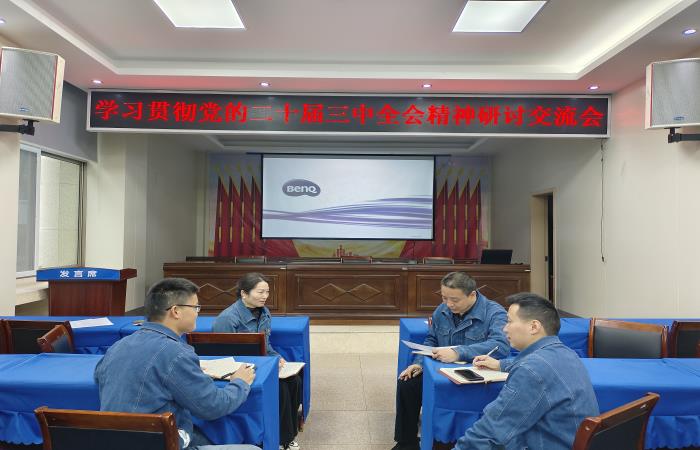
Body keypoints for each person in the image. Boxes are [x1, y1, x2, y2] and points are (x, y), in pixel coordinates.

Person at [94, 278, 260, 450]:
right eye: (195, 307)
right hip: (158, 442)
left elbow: (100, 376)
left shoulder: (117, 346)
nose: (197, 313)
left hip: (115, 441)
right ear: (176, 311)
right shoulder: (176, 354)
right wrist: (240, 382)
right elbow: (213, 406)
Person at [454, 293, 599, 450]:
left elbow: (492, 429)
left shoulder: (531, 370)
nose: (504, 328)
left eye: (509, 321)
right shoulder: (566, 353)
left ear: (534, 327)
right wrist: (500, 364)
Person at [392, 271, 510, 450]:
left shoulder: (494, 313)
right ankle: (406, 442)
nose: (448, 304)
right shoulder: (442, 310)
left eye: (454, 300)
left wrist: (458, 353)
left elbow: (500, 345)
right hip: (441, 369)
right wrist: (418, 363)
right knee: (408, 383)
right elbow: (431, 340)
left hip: (475, 372)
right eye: (444, 297)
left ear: (472, 294)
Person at [213, 272, 303, 450]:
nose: (265, 296)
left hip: (263, 363)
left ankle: (288, 435)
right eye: (260, 292)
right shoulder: (227, 319)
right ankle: (279, 438)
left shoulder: (264, 312)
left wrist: (277, 358)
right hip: (240, 369)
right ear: (244, 293)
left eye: (267, 292)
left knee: (295, 381)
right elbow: (224, 356)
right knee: (281, 387)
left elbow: (266, 345)